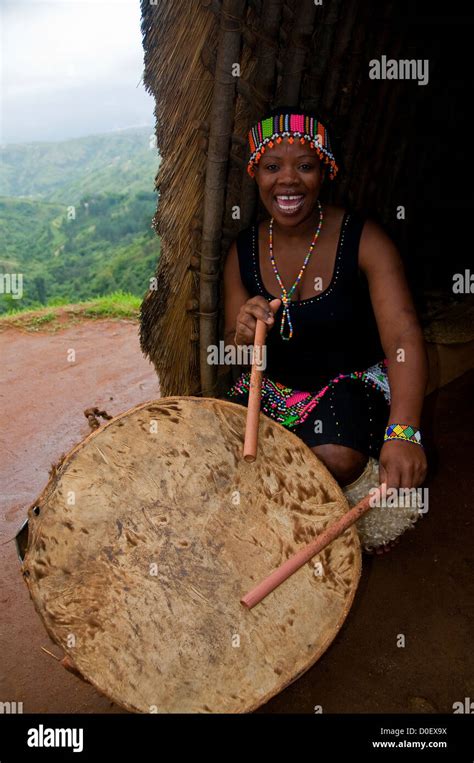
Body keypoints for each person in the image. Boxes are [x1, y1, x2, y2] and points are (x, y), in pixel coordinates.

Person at [222, 106, 428, 552]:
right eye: (273, 167)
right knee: (222, 456)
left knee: (331, 452)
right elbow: (233, 354)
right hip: (275, 391)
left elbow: (402, 337)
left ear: (325, 171)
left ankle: (356, 515)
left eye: (306, 166)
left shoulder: (364, 239)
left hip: (351, 385)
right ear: (256, 174)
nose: (288, 180)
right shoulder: (242, 253)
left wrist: (405, 431)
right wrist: (241, 334)